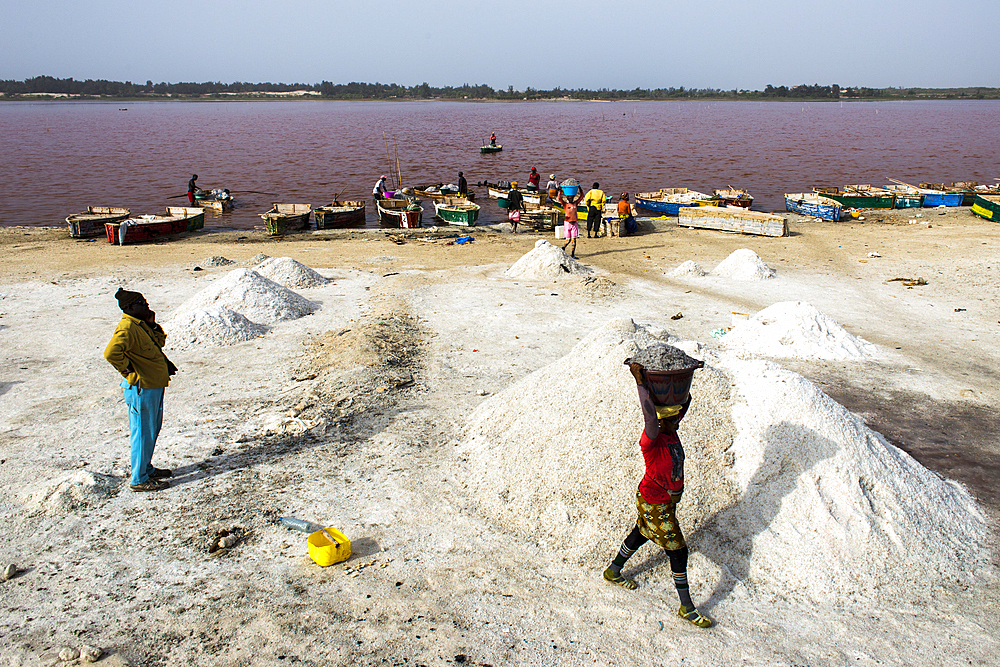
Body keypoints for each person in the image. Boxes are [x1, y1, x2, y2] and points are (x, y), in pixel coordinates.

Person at [602, 360, 711, 629]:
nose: (678, 419)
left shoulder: (671, 430)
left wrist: (689, 374)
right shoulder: (653, 439)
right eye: (673, 417)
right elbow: (649, 414)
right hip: (654, 502)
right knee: (678, 551)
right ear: (663, 420)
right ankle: (687, 607)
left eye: (677, 417)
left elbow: (685, 403)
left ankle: (613, 571)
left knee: (641, 533)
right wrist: (640, 380)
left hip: (663, 502)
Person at [104, 289, 177, 492]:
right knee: (142, 432)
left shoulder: (140, 324)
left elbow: (159, 343)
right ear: (129, 308)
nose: (146, 306)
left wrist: (152, 324)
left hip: (153, 385)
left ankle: (146, 468)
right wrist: (129, 372)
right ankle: (138, 479)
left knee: (151, 429)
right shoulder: (127, 327)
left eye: (145, 301)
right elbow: (111, 353)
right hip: (142, 387)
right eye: (141, 303)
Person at [558, 187, 584, 257]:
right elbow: (560, 198)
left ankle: (572, 254)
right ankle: (563, 248)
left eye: (571, 197)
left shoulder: (575, 203)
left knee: (574, 240)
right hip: (567, 223)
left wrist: (579, 188)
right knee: (568, 240)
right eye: (569, 198)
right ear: (567, 198)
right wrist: (560, 191)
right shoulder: (565, 204)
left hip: (574, 223)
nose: (570, 199)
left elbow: (581, 196)